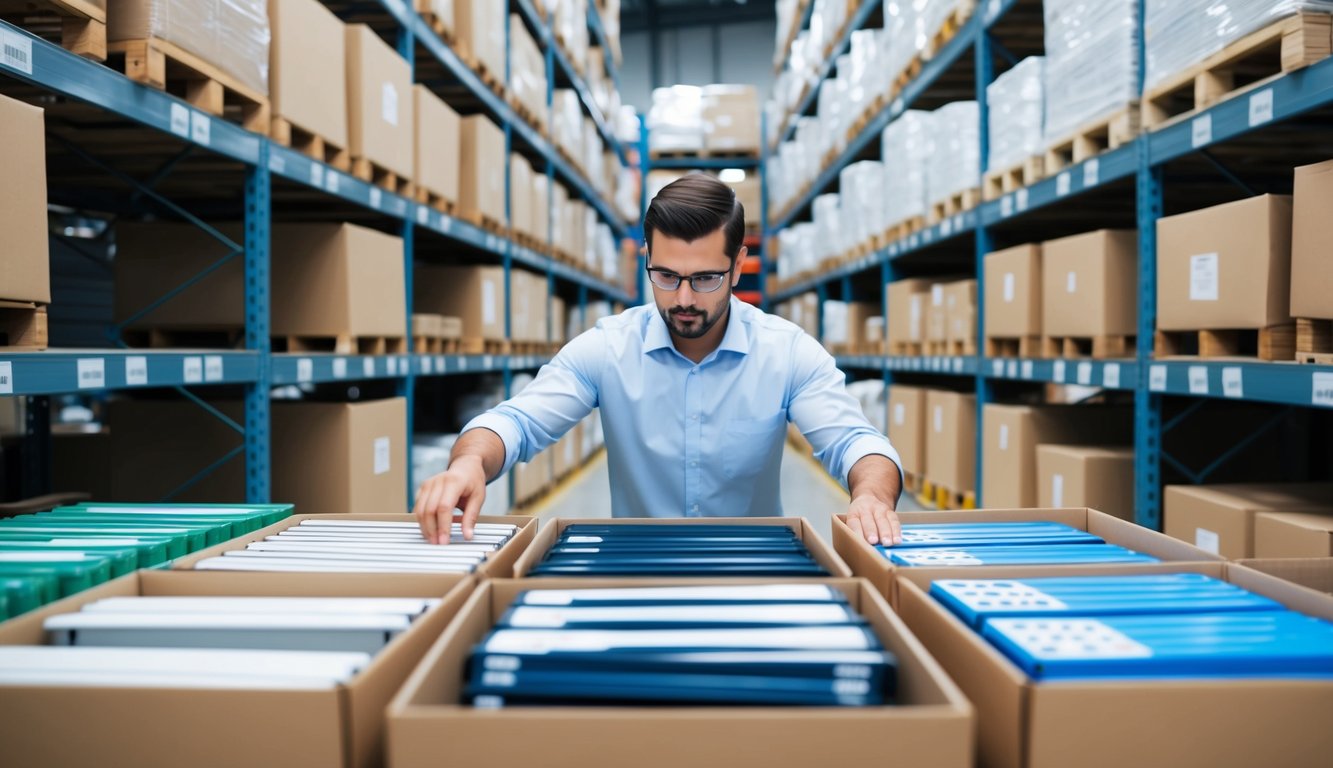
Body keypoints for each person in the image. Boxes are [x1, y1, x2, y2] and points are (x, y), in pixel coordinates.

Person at [413, 174, 904, 547]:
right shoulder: (609, 348)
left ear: (737, 266)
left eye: (706, 278)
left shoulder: (786, 351)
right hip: (634, 569)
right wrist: (469, 463)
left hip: (751, 567)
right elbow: (516, 422)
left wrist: (871, 495)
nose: (684, 298)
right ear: (646, 258)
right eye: (666, 276)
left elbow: (855, 442)